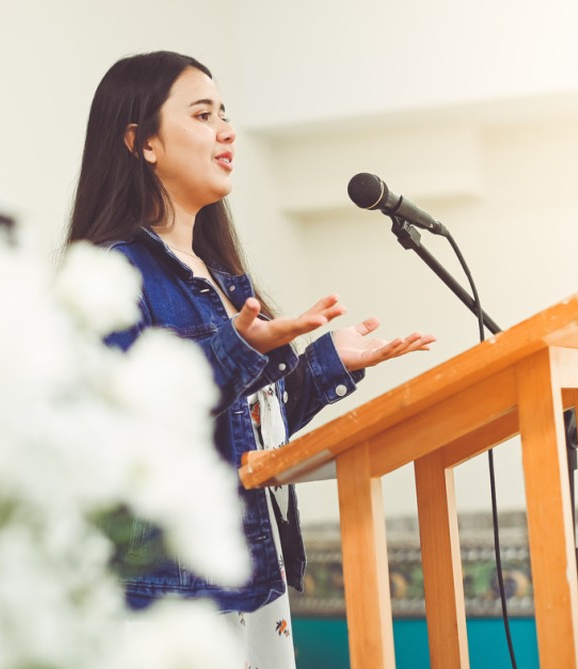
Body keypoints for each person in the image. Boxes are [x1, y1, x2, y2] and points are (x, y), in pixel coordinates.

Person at [65, 51, 435, 667]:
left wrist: (324, 367)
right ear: (143, 142)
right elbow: (129, 424)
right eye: (203, 114)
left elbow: (249, 435)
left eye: (225, 114)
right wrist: (238, 350)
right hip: (172, 603)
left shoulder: (227, 281)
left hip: (257, 583)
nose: (227, 131)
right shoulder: (110, 273)